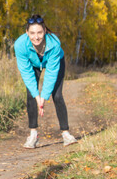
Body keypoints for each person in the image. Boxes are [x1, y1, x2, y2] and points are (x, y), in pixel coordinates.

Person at [14, 14, 77, 148]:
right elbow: (26, 73)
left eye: (39, 33)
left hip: (55, 62)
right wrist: (37, 96)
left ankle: (66, 134)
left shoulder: (54, 43)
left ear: (45, 31)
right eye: (32, 33)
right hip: (33, 64)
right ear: (27, 32)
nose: (36, 37)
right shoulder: (20, 45)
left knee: (58, 96)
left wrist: (44, 96)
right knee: (31, 94)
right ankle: (33, 135)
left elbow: (51, 73)